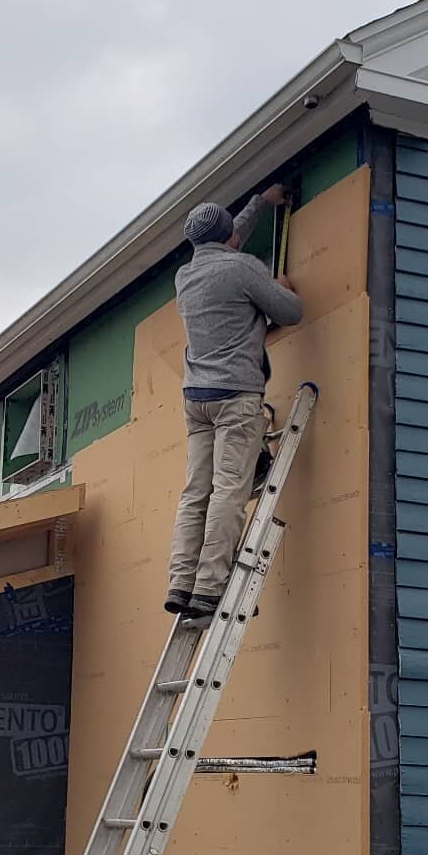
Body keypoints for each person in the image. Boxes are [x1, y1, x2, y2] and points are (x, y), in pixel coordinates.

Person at [164, 184, 303, 619]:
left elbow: (226, 237)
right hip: (234, 396)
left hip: (197, 399)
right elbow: (292, 312)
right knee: (229, 490)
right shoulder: (243, 269)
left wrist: (261, 202)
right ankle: (210, 588)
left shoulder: (185, 276)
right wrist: (277, 289)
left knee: (195, 493)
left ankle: (181, 583)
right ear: (229, 238)